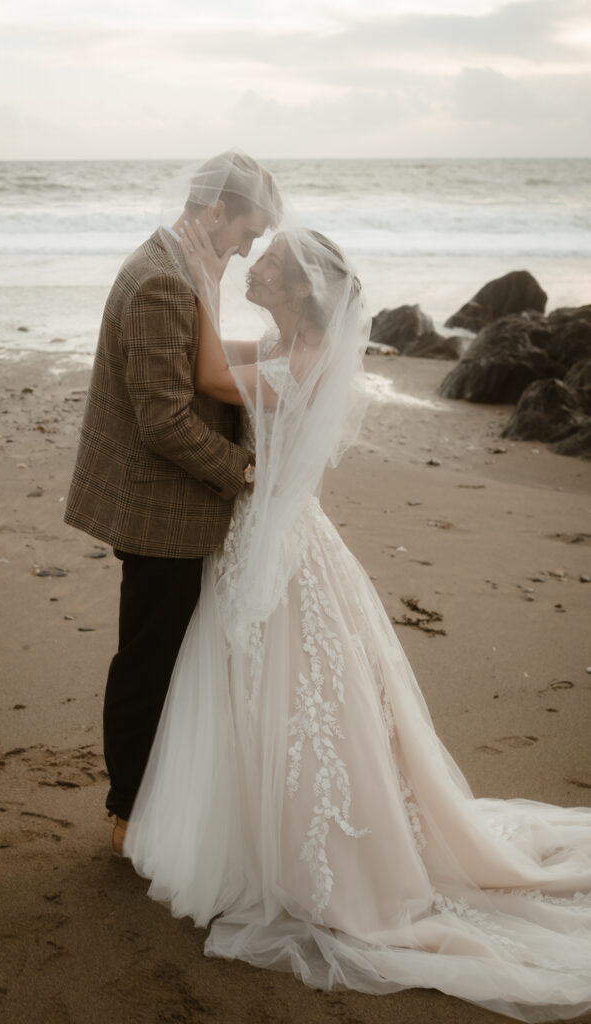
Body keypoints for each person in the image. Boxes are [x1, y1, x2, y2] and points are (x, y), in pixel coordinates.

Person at [122, 220, 591, 1023]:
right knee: (270, 693)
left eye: (267, 264)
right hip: (267, 539)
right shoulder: (284, 346)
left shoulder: (299, 363)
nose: (256, 267)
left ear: (299, 289)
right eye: (257, 257)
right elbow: (222, 359)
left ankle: (314, 862)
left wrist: (196, 274)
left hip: (273, 548)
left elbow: (203, 369)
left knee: (292, 695)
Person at [64, 151, 282, 854]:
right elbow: (162, 421)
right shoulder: (163, 278)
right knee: (149, 659)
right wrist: (244, 472)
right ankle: (127, 813)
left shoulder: (187, 263)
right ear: (215, 210)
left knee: (162, 653)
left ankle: (144, 802)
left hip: (170, 501)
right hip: (160, 508)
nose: (249, 247)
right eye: (246, 230)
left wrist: (278, 350)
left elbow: (201, 364)